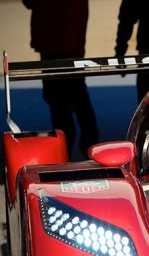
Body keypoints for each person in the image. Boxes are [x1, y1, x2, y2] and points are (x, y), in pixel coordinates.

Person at [23, 0, 100, 159]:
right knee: (63, 99)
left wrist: (65, 53)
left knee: (73, 98)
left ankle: (80, 142)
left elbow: (76, 16)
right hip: (54, 48)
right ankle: (73, 142)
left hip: (64, 52)